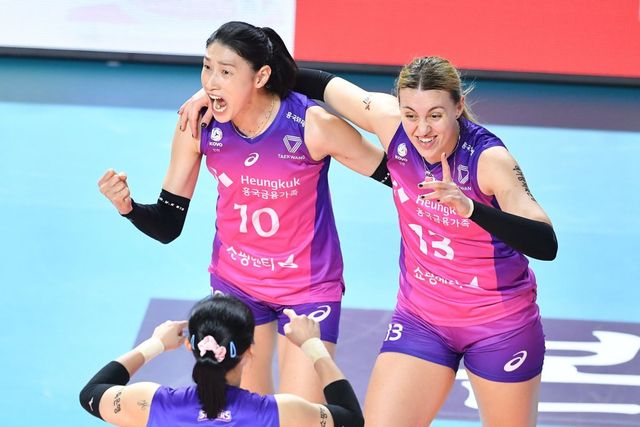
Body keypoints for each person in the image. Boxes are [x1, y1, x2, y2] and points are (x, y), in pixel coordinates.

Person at [98, 21, 390, 402]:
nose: (211, 83)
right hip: (237, 284)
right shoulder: (198, 125)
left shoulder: (311, 125)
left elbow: (393, 173)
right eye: (207, 68)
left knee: (300, 415)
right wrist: (129, 208)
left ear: (261, 76)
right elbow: (168, 224)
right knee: (245, 415)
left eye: (225, 72)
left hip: (307, 289)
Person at [288, 57, 557, 426]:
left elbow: (545, 242)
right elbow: (315, 82)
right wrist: (222, 90)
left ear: (458, 107)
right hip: (422, 320)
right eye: (411, 115)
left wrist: (471, 208)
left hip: (498, 326)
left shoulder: (489, 160)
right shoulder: (390, 123)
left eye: (435, 115)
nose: (422, 129)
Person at [79, 294, 364, 427]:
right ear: (249, 351)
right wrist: (313, 346)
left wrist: (155, 344)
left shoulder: (151, 404)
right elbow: (351, 419)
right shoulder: (282, 413)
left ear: (190, 347)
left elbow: (91, 393)